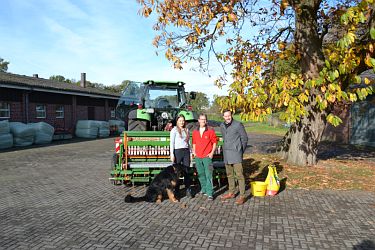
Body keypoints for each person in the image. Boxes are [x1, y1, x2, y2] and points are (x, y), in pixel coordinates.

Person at [220, 110, 248, 205]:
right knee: (229, 174)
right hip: (227, 154)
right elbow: (225, 138)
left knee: (239, 175)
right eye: (225, 116)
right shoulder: (222, 126)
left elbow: (244, 138)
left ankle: (242, 196)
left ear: (231, 115)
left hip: (236, 154)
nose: (227, 117)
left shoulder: (238, 125)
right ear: (223, 117)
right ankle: (231, 192)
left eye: (229, 115)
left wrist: (240, 150)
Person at [192, 113, 217, 201]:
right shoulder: (195, 131)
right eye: (201, 119)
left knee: (208, 174)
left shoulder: (210, 131)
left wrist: (212, 153)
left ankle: (210, 193)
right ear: (198, 120)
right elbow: (194, 143)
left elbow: (214, 142)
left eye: (204, 119)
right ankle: (204, 189)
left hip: (207, 157)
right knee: (201, 174)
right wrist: (194, 152)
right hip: (198, 156)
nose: (203, 121)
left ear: (206, 121)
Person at [170, 114, 193, 198]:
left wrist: (191, 153)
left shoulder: (187, 129)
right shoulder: (174, 130)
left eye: (183, 121)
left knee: (187, 171)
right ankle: (176, 190)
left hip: (186, 151)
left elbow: (189, 143)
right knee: (176, 172)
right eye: (180, 121)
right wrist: (172, 154)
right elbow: (171, 143)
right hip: (178, 152)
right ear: (177, 121)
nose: (182, 122)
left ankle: (188, 189)